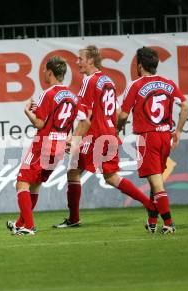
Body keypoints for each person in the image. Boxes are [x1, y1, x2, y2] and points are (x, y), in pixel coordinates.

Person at [53, 45, 157, 229]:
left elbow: (87, 114)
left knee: (76, 172)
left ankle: (74, 219)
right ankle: (150, 206)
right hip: (108, 134)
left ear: (91, 60)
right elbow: (116, 112)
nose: (77, 62)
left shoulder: (89, 81)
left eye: (80, 58)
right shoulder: (108, 81)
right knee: (107, 177)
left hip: (96, 136)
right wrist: (114, 131)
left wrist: (75, 139)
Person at [6, 56, 87, 235]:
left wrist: (28, 112)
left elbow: (40, 124)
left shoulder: (48, 93)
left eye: (44, 70)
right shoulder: (73, 96)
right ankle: (21, 223)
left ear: (49, 72)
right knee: (34, 184)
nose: (43, 73)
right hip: (58, 148)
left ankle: (28, 226)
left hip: (43, 144)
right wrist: (73, 139)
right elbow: (85, 120)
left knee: (22, 183)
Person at [117, 47, 188, 234]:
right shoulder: (168, 83)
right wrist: (179, 131)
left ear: (140, 65)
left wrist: (116, 129)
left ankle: (169, 223)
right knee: (154, 178)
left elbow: (124, 115)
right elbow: (185, 106)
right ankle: (152, 221)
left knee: (156, 182)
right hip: (165, 136)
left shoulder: (135, 85)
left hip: (148, 137)